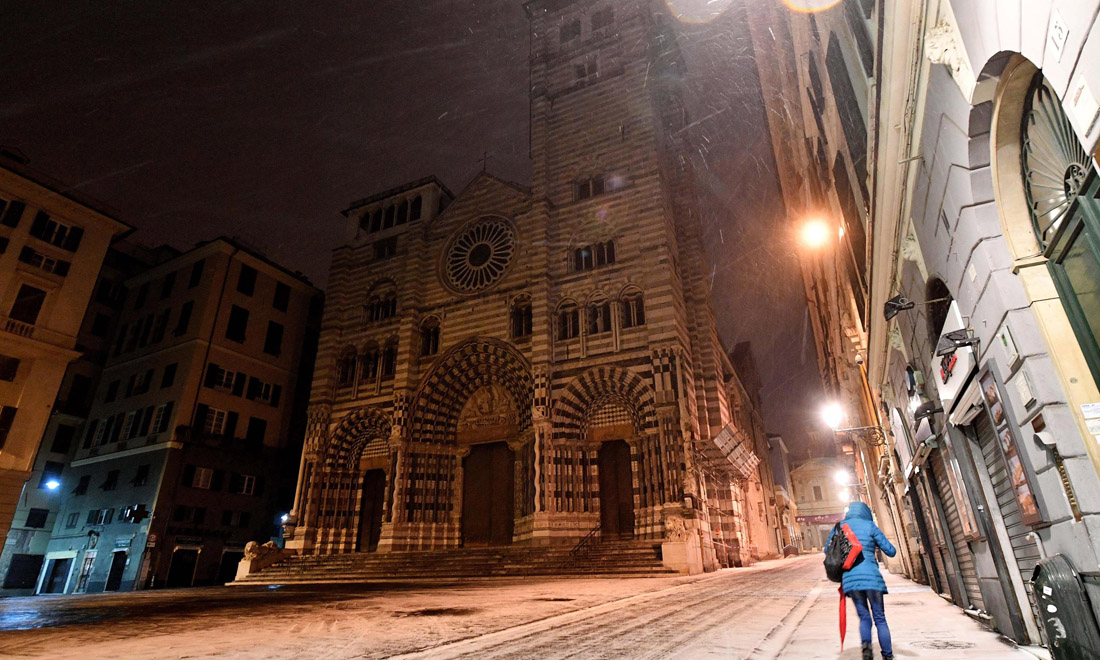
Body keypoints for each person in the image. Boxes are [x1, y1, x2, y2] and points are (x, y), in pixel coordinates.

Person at [828, 501, 897, 660]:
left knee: (864, 617)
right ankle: (887, 655)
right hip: (872, 579)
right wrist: (872, 545)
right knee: (879, 617)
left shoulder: (839, 528)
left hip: (851, 581)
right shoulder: (870, 526)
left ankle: (867, 653)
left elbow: (828, 550)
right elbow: (891, 551)